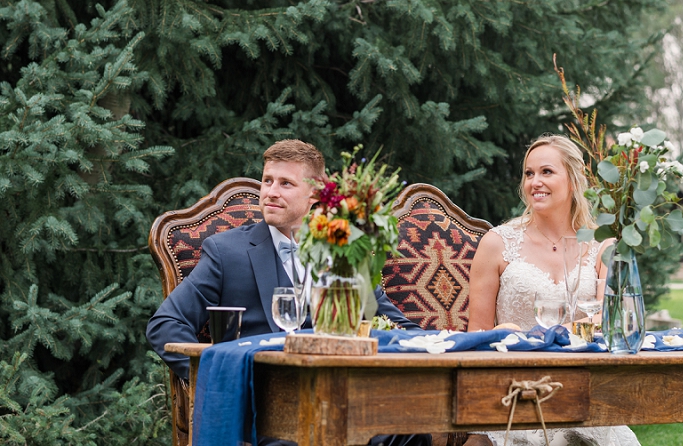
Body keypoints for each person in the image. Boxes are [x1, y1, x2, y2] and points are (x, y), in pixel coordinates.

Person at [147, 139, 428, 446]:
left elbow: (398, 326)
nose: (271, 191)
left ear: (315, 195)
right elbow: (165, 324)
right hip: (266, 411)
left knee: (412, 432)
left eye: (286, 183)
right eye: (267, 180)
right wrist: (220, 381)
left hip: (346, 401)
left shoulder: (343, 251)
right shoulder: (226, 252)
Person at [467, 134, 639, 446]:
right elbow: (475, 337)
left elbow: (612, 327)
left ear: (574, 180)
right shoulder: (496, 244)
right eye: (529, 173)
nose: (535, 182)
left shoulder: (604, 247)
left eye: (546, 172)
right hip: (514, 394)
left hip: (586, 395)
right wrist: (500, 337)